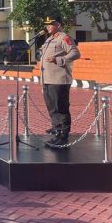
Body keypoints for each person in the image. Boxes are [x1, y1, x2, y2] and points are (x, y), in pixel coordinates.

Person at [39, 15, 81, 148]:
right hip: (47, 79)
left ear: (58, 25)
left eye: (51, 24)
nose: (48, 27)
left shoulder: (64, 38)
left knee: (60, 108)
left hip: (59, 80)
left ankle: (63, 135)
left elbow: (75, 53)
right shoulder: (49, 39)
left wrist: (59, 60)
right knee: (52, 108)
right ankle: (56, 131)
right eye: (47, 24)